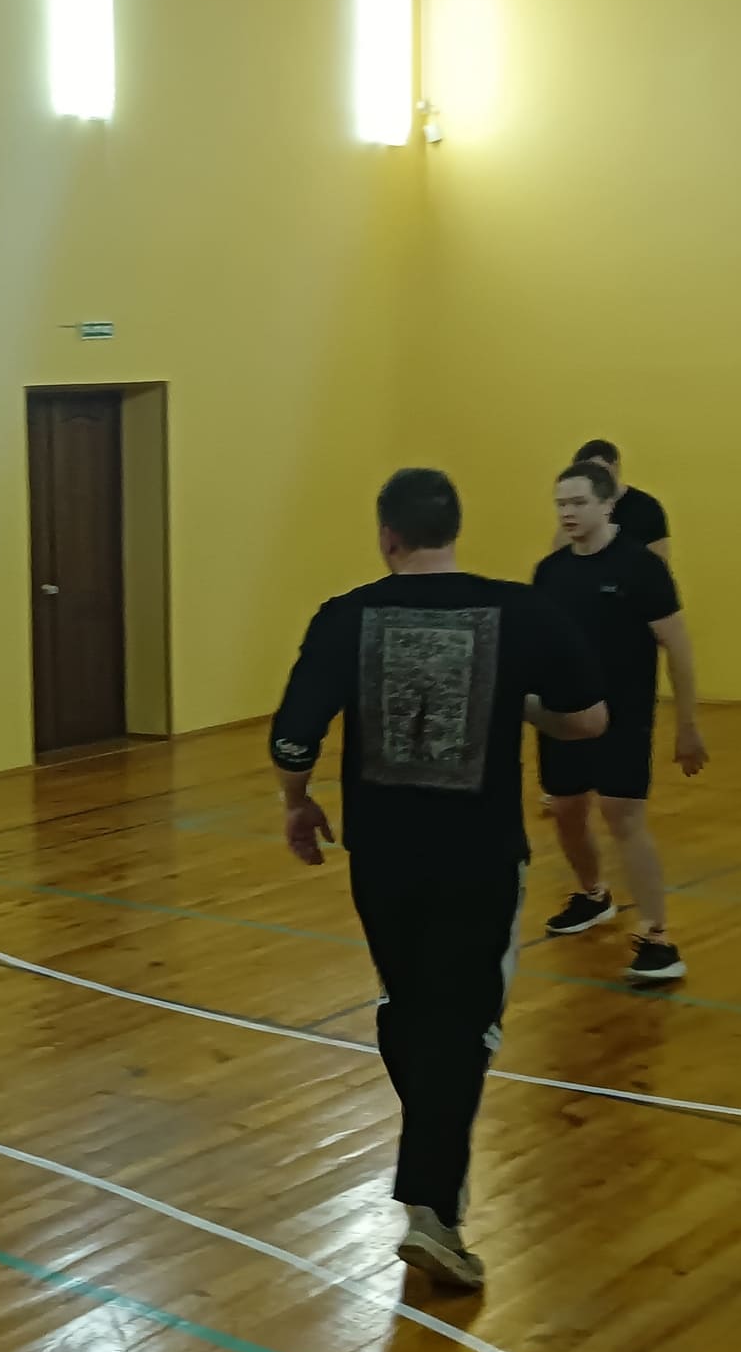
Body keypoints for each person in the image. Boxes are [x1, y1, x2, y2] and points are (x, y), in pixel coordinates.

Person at [270, 468, 607, 1291]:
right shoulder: (523, 610)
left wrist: (297, 804)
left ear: (387, 536)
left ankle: (432, 1179)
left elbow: (292, 738)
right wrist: (520, 706)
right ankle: (432, 1211)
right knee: (464, 1027)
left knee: (409, 1006)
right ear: (454, 528)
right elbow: (588, 718)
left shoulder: (345, 616)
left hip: (381, 858)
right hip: (480, 857)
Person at [533, 461, 707, 981]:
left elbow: (678, 648)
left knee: (621, 812)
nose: (568, 512)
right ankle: (593, 895)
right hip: (563, 715)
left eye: (578, 503)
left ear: (608, 505)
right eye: (561, 504)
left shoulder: (640, 568)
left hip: (623, 716)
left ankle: (658, 937)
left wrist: (688, 725)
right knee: (566, 808)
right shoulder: (550, 571)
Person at [574, 440, 671, 559]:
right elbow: (561, 557)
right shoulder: (579, 508)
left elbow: (660, 562)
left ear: (616, 467)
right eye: (586, 474)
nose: (594, 478)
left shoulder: (647, 507)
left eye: (599, 470)